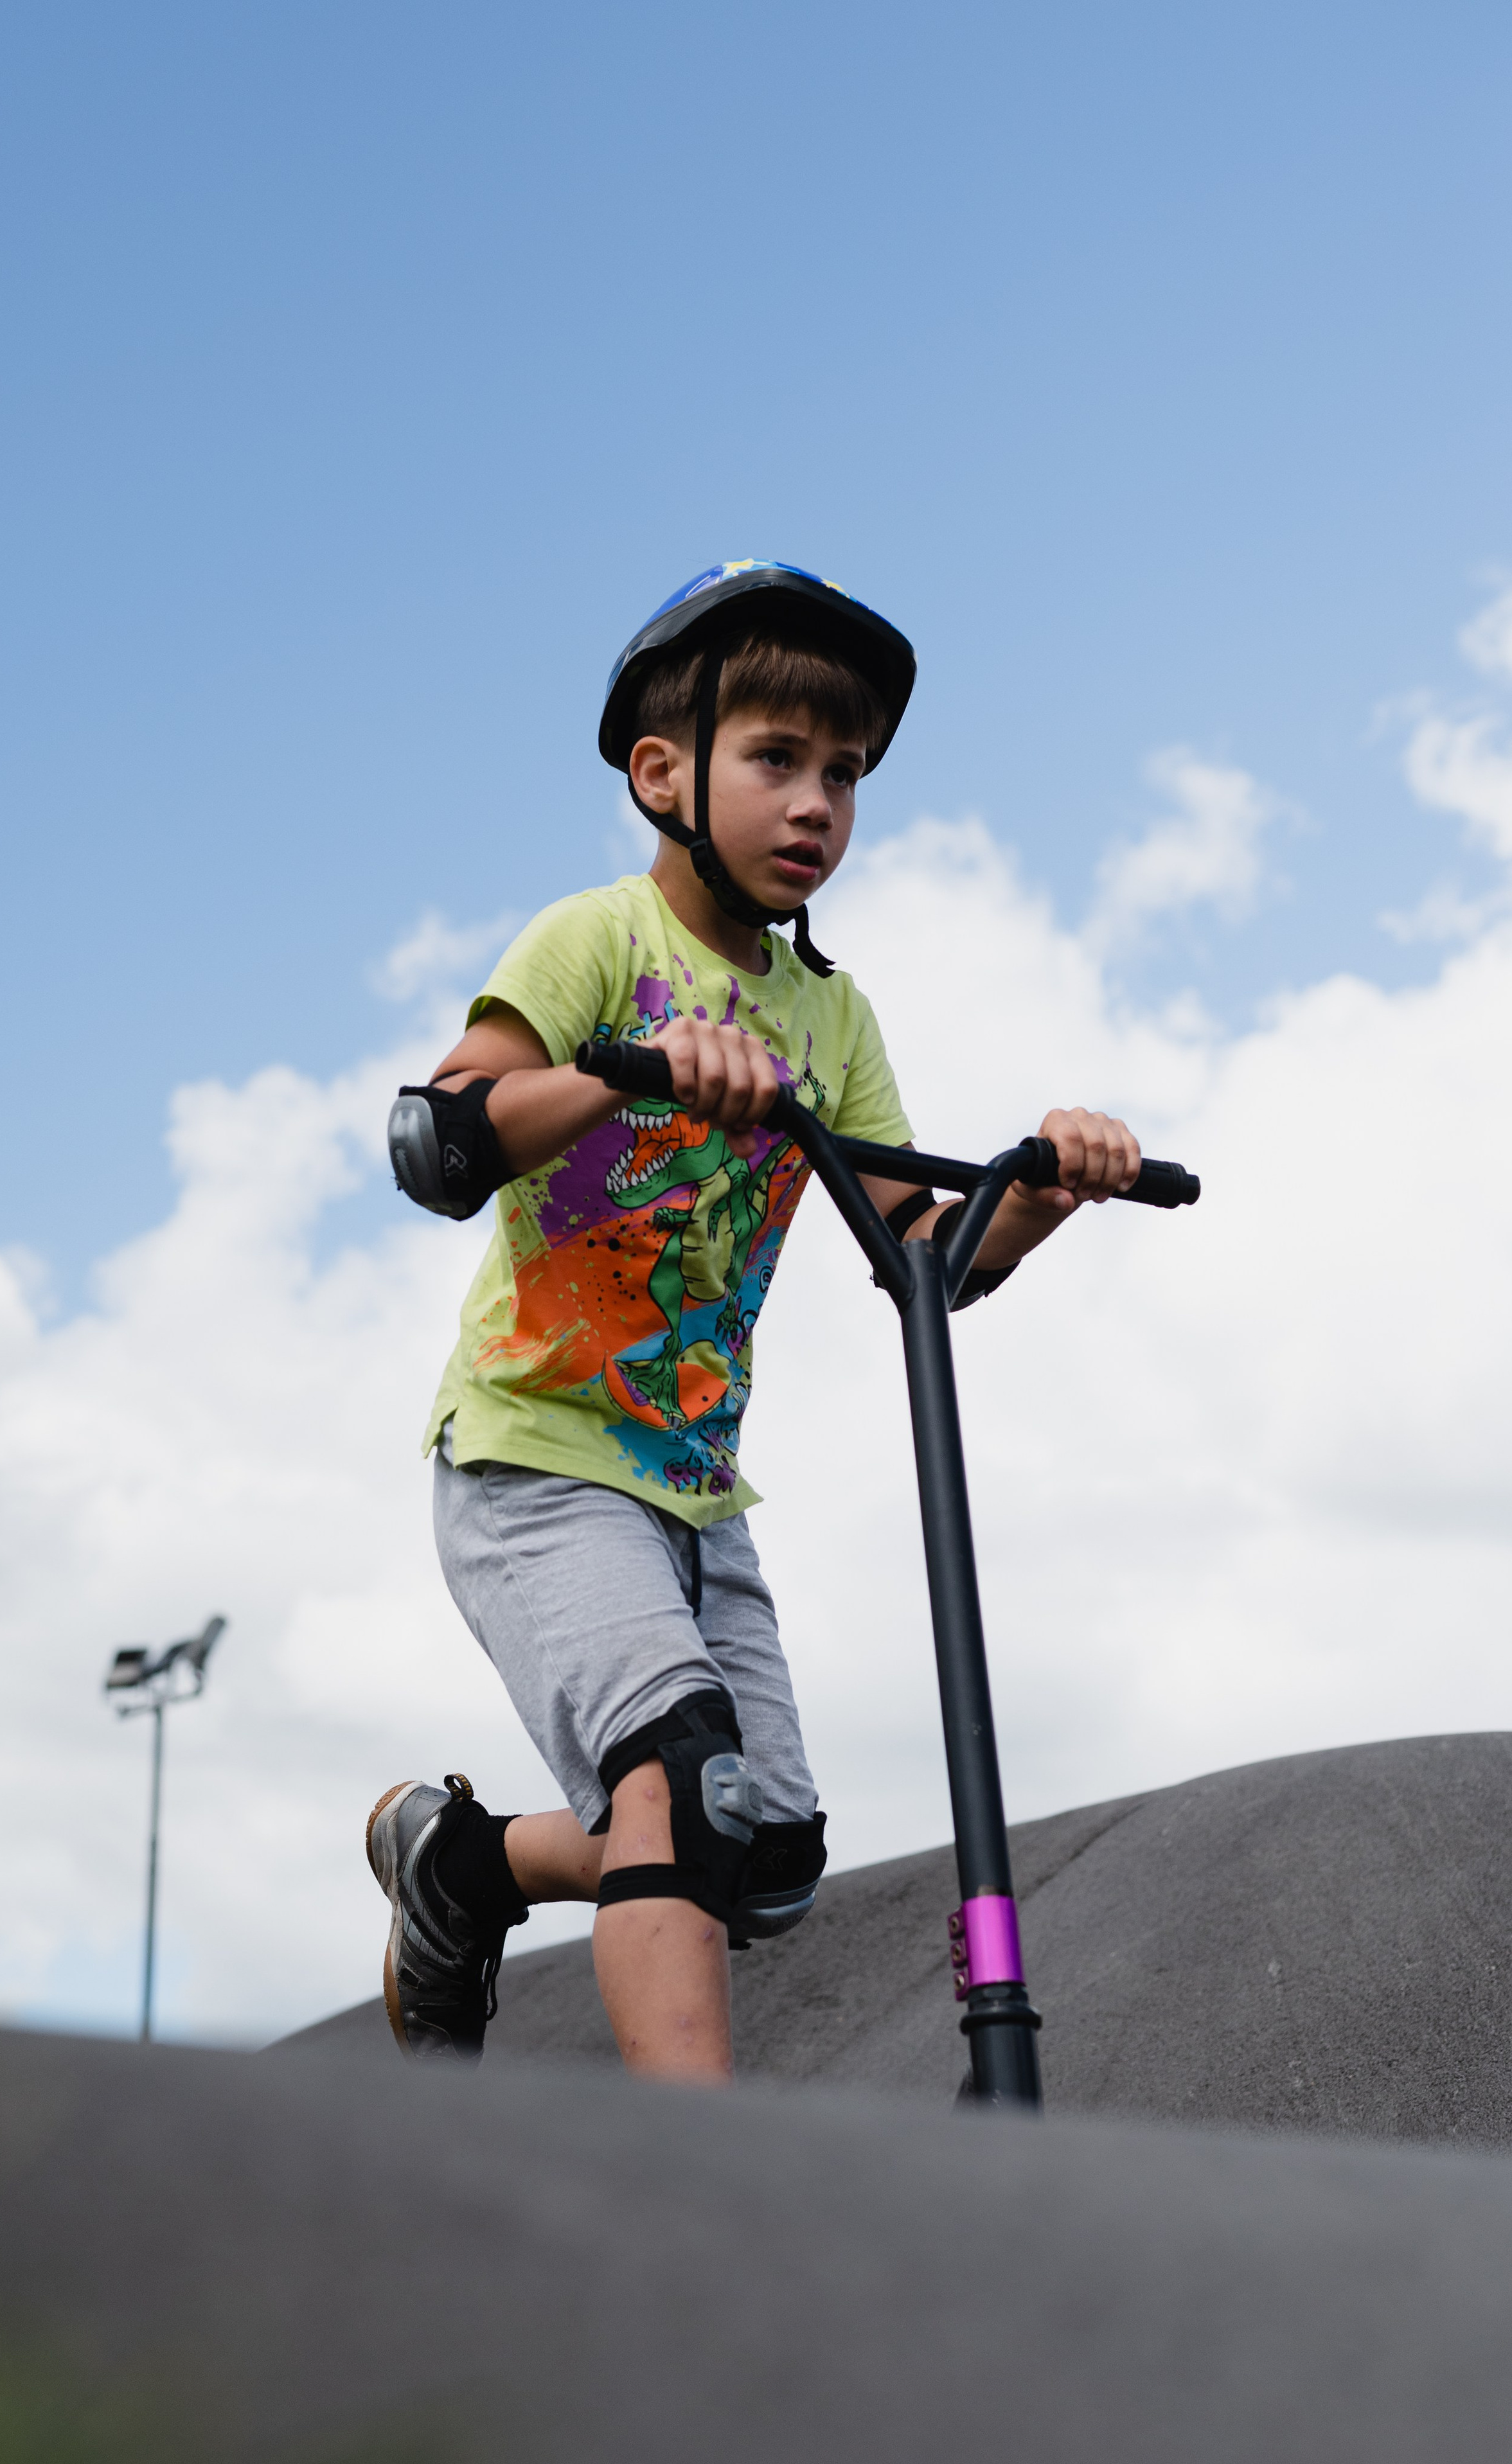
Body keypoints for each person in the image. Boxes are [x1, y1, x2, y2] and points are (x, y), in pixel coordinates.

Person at [368, 561, 1139, 2085]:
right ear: (663, 775)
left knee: (763, 1855)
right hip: (537, 1456)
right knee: (677, 1777)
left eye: (840, 773)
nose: (814, 804)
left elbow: (923, 1258)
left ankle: (461, 1867)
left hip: (694, 1491)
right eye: (775, 758)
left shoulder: (828, 1019)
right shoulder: (597, 942)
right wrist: (631, 1071)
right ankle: (701, 2173)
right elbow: (435, 1139)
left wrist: (1045, 1189)